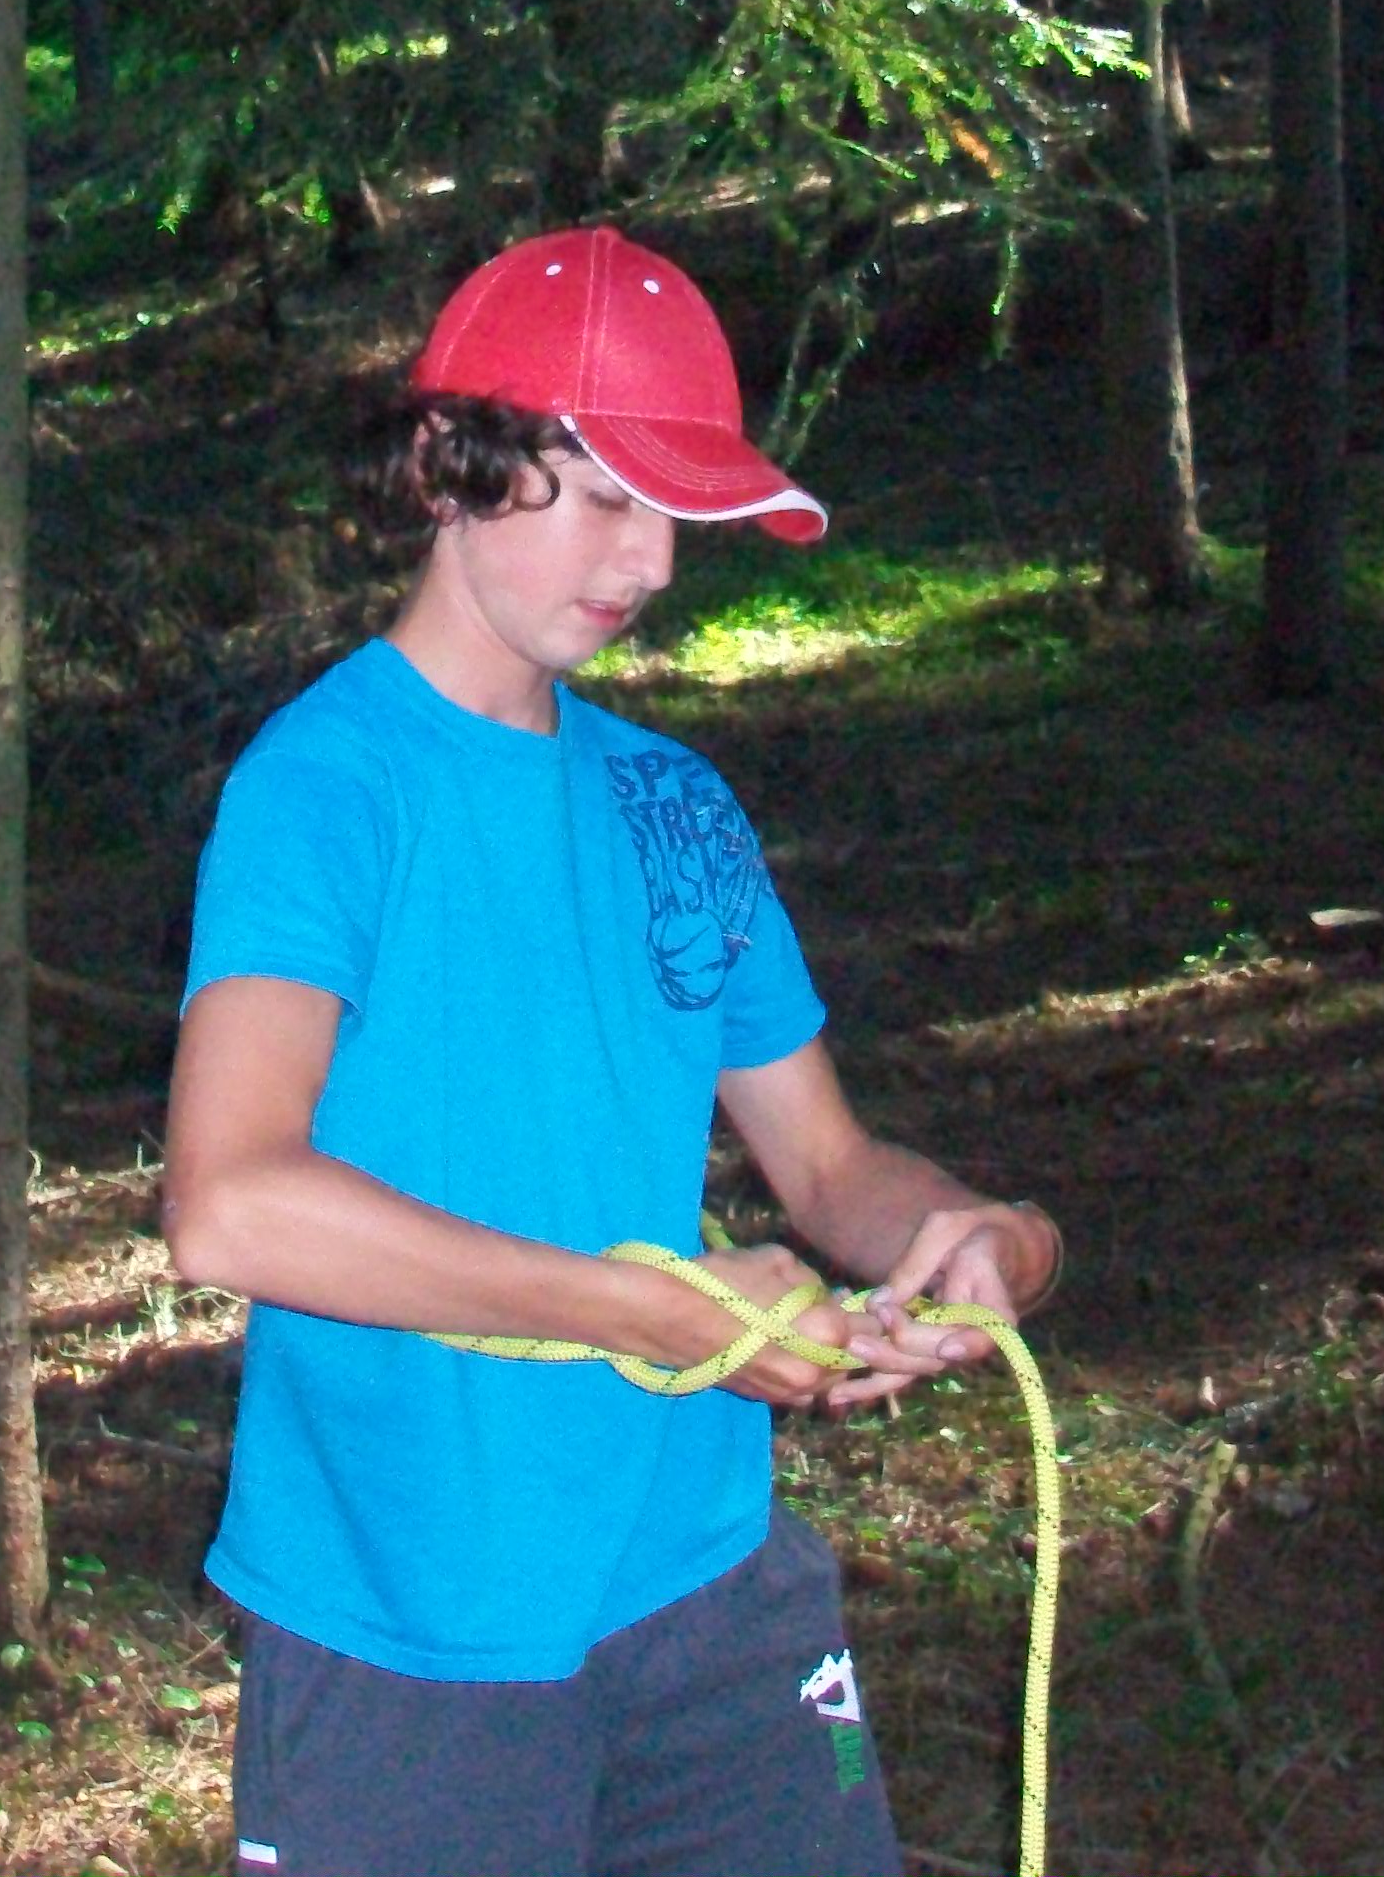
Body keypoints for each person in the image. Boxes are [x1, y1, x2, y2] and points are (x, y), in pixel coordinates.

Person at [162, 227, 1066, 1877]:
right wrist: (640, 1308)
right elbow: (231, 1203)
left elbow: (831, 1169)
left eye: (677, 515)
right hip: (412, 1619)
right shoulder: (326, 790)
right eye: (602, 498)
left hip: (710, 1588)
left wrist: (990, 1240)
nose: (648, 561)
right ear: (445, 466)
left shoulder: (675, 803)